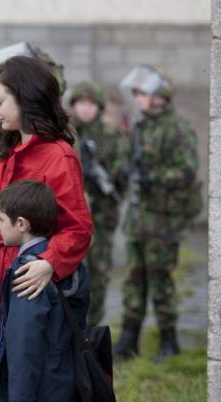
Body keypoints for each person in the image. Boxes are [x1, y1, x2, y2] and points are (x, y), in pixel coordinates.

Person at [0, 56, 93, 399]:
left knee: (32, 375)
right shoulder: (10, 153)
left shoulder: (57, 156)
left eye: (0, 101)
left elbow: (78, 228)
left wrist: (50, 263)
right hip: (2, 275)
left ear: (26, 97)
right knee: (2, 372)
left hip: (32, 286)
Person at [114, 64, 200, 360]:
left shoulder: (176, 128)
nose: (137, 98)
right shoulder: (140, 127)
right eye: (136, 93)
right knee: (133, 280)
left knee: (161, 281)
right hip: (139, 218)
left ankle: (168, 340)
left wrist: (156, 177)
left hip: (163, 220)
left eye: (142, 93)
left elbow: (187, 171)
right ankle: (128, 340)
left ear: (158, 96)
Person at [0, 180, 89, 402]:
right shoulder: (68, 264)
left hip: (39, 389)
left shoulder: (28, 273)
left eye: (2, 220)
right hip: (63, 381)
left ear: (22, 224)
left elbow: (24, 346)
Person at [69, 80, 129, 327]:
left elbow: (121, 177)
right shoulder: (66, 134)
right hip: (72, 218)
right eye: (81, 103)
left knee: (99, 274)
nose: (86, 109)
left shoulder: (111, 136)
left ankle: (92, 328)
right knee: (71, 274)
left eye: (91, 104)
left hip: (101, 217)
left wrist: (105, 173)